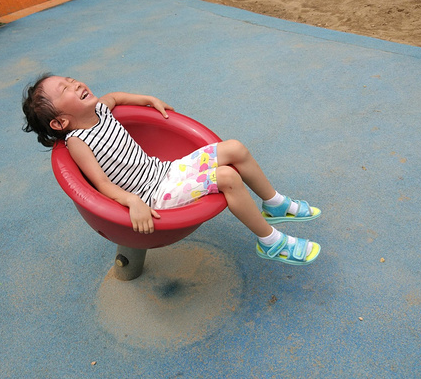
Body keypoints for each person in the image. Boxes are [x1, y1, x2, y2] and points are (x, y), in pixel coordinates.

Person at [22, 73, 322, 265]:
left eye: (71, 79)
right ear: (60, 122)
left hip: (164, 171)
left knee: (235, 148)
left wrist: (148, 100)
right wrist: (132, 201)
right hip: (153, 196)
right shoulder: (77, 142)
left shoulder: (101, 107)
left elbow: (120, 98)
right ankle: (270, 242)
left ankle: (274, 203)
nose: (75, 84)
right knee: (227, 177)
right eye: (65, 89)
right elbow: (101, 184)